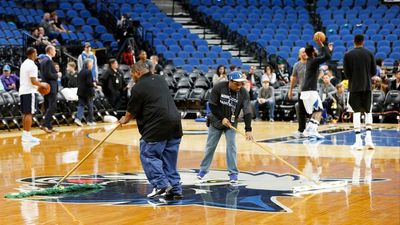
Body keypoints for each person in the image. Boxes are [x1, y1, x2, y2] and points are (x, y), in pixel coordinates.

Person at [119, 62, 183, 200]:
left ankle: (160, 184)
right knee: (169, 160)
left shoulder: (138, 88)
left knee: (149, 155)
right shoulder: (160, 79)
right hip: (175, 125)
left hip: (157, 126)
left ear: (137, 72)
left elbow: (130, 112)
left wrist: (124, 120)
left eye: (132, 74)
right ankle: (175, 189)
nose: (132, 77)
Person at [197, 71, 254, 183]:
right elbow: (212, 105)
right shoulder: (218, 87)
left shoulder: (243, 93)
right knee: (210, 147)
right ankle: (203, 170)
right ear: (230, 81)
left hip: (231, 123)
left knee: (231, 147)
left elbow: (247, 112)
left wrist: (248, 129)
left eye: (241, 83)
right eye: (237, 84)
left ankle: (233, 173)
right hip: (216, 121)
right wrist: (222, 118)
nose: (240, 86)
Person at [343, 34, 377, 150]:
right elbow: (373, 71)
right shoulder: (369, 53)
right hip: (367, 87)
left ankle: (358, 141)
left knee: (356, 113)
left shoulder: (348, 55)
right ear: (363, 42)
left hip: (354, 87)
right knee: (368, 112)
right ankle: (369, 139)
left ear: (354, 42)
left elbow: (346, 74)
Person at [301, 36, 332, 139]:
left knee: (316, 111)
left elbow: (325, 55)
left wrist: (325, 48)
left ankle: (307, 131)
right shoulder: (313, 61)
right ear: (313, 53)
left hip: (306, 90)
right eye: (315, 49)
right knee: (319, 110)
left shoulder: (311, 61)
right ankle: (313, 131)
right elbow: (327, 56)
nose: (316, 50)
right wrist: (321, 44)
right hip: (310, 90)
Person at [19, 47, 47, 142]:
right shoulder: (33, 65)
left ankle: (25, 134)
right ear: (32, 54)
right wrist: (42, 84)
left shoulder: (24, 63)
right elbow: (33, 81)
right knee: (29, 114)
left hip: (23, 90)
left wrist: (37, 82)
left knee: (26, 113)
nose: (37, 54)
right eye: (36, 53)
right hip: (29, 91)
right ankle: (27, 136)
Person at [288, 47, 307, 138]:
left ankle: (312, 130)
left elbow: (321, 72)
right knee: (301, 111)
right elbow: (294, 78)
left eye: (306, 52)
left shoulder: (311, 63)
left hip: (312, 91)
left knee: (314, 111)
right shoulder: (296, 65)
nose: (304, 53)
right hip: (301, 91)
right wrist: (290, 90)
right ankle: (301, 130)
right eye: (302, 52)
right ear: (299, 55)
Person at [40, 45, 59, 133]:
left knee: (47, 106)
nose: (55, 52)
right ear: (50, 50)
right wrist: (57, 75)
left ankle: (49, 126)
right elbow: (48, 75)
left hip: (46, 87)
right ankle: (44, 124)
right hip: (50, 86)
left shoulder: (44, 60)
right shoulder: (48, 61)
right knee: (52, 106)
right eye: (54, 50)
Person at [74, 59, 96, 127]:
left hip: (80, 91)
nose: (92, 65)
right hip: (88, 92)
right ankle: (90, 121)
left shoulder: (80, 71)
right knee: (90, 106)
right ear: (88, 64)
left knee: (81, 105)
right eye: (91, 63)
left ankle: (78, 118)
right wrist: (94, 84)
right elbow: (89, 83)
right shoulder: (88, 72)